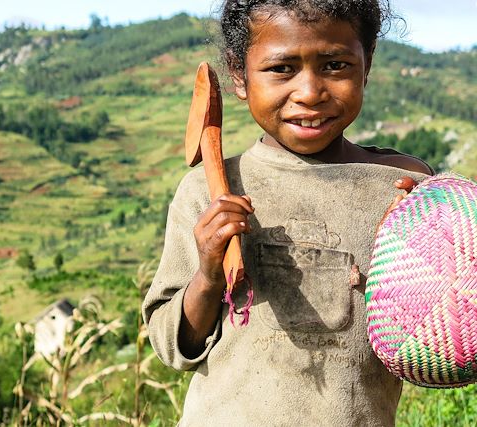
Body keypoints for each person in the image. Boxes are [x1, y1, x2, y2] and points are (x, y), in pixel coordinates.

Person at [142, 0, 434, 425]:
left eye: (335, 65)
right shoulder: (208, 191)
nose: (310, 92)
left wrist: (429, 255)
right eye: (282, 69)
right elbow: (172, 345)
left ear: (366, 64)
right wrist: (208, 273)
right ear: (239, 74)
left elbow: (440, 336)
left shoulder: (403, 191)